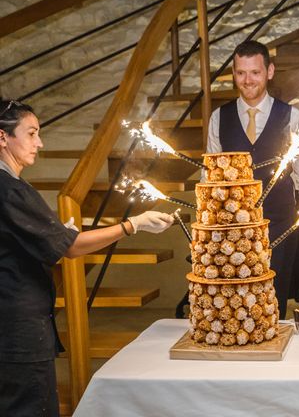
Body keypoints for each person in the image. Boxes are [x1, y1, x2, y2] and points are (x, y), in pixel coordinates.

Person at [0, 100, 175, 417]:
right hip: (17, 329)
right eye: (31, 133)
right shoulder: (10, 189)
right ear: (3, 137)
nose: (39, 143)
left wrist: (59, 232)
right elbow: (72, 247)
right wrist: (132, 225)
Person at [206, 40, 299, 317]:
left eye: (255, 72)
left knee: (273, 307)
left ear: (269, 71)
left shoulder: (292, 117)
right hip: (232, 233)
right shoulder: (218, 118)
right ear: (233, 74)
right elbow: (210, 179)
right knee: (234, 310)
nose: (248, 80)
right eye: (241, 73)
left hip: (279, 229)